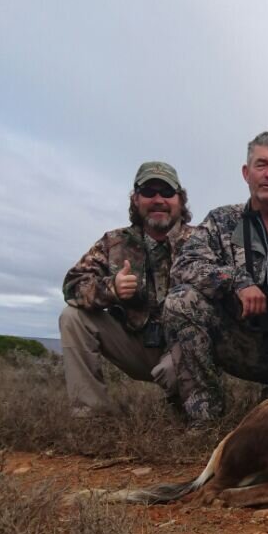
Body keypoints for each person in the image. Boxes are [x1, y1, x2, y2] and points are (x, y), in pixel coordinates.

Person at [163, 131, 268, 423]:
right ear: (246, 172)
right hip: (239, 341)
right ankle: (205, 416)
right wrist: (237, 281)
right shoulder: (221, 220)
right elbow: (184, 263)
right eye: (261, 165)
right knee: (179, 301)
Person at [59, 161, 192, 416]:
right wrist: (111, 288)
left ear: (180, 199)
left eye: (166, 193)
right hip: (134, 344)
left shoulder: (201, 240)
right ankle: (92, 417)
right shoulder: (113, 242)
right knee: (72, 317)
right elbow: (72, 285)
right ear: (135, 199)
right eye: (149, 192)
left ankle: (193, 411)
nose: (158, 200)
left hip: (184, 350)